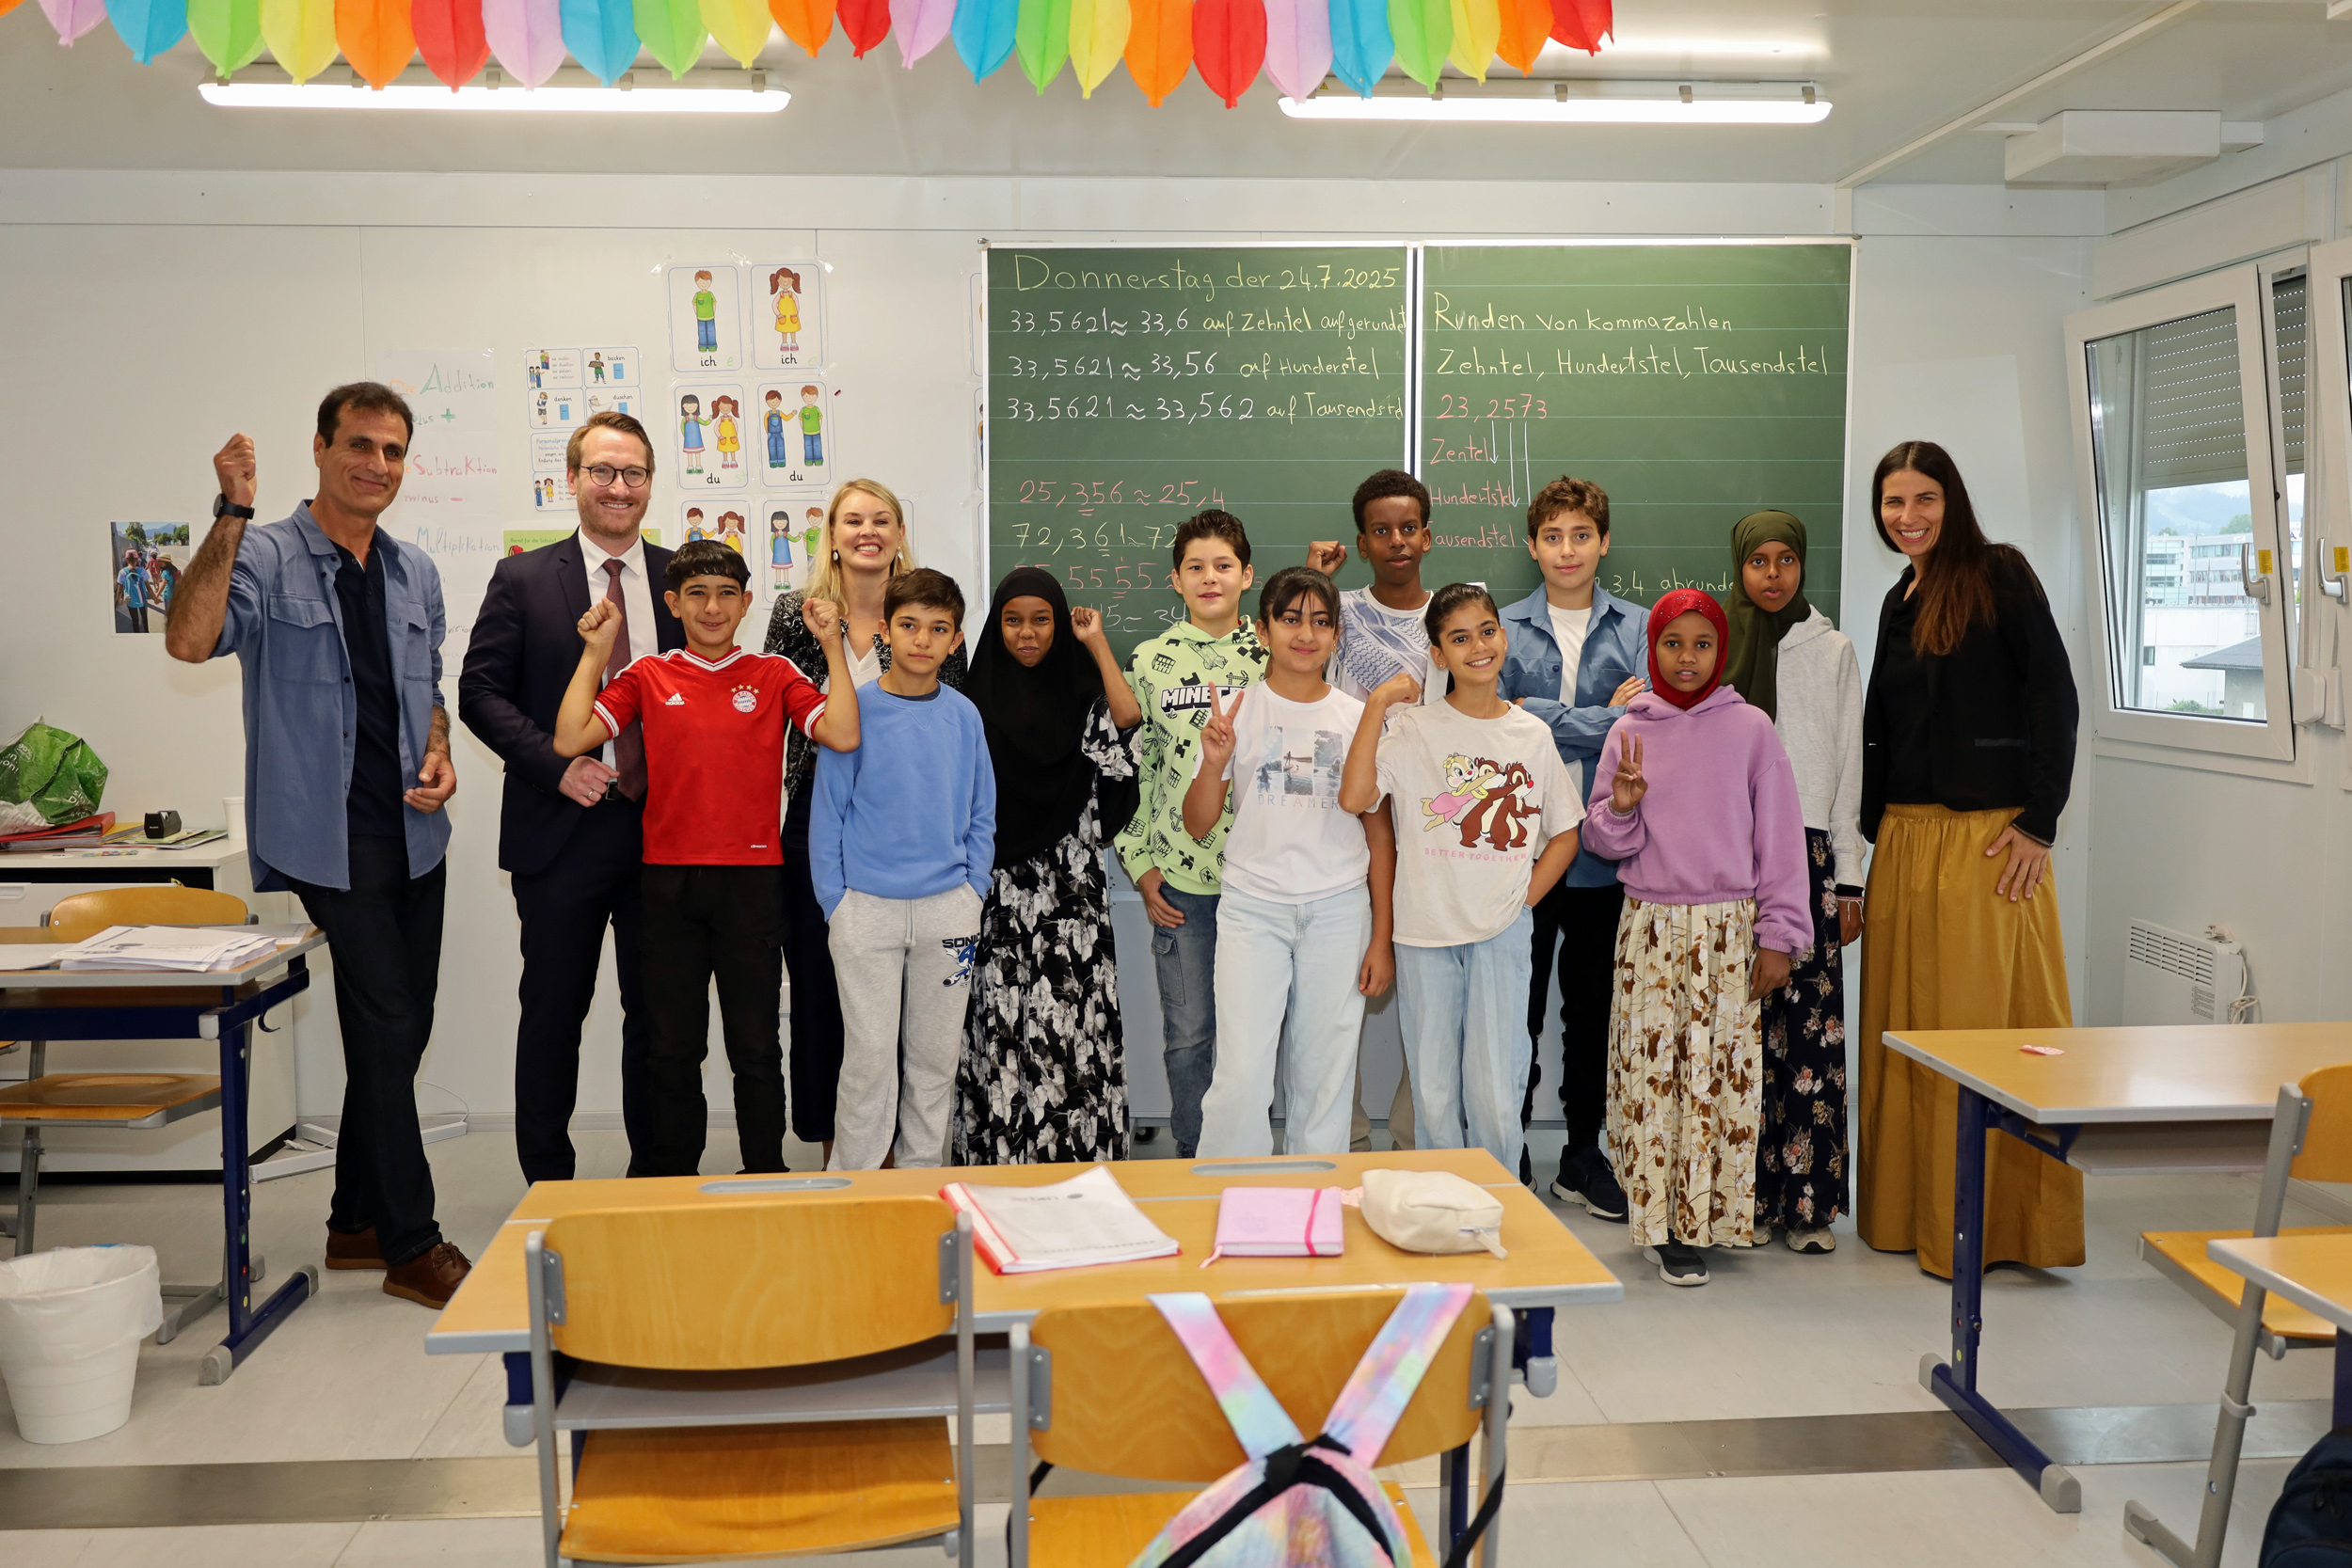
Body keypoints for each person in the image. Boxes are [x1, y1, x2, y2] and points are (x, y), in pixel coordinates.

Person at [166, 385, 469, 1308]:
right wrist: (229, 512)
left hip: (414, 832)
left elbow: (430, 688)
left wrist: (441, 748)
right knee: (383, 1023)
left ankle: (350, 1221)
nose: (377, 463)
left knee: (400, 1031)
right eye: (361, 444)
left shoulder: (416, 571)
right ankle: (412, 1242)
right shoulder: (259, 551)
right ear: (322, 448)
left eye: (393, 450)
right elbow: (189, 639)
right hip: (325, 834)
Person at [552, 539, 860, 1179]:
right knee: (672, 1047)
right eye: (696, 593)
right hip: (667, 884)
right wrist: (594, 652)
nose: (712, 607)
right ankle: (672, 1178)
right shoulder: (647, 674)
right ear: (673, 603)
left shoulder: (775, 673)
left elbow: (842, 733)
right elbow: (571, 736)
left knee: (754, 1046)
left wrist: (834, 644)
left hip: (753, 884)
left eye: (726, 593)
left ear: (747, 602)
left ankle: (764, 1171)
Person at [1857, 440, 2083, 1277]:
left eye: (1924, 499)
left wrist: (2039, 820)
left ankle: (1999, 1227)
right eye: (1893, 503)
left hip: (1988, 839)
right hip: (1906, 840)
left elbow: (2053, 694)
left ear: (1952, 499)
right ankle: (1906, 1216)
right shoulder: (1897, 597)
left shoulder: (2000, 574)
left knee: (1978, 1035)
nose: (1908, 516)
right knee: (1910, 1035)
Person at [458, 411, 684, 1184]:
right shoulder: (523, 578)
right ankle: (549, 1182)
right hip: (561, 830)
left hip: (663, 834)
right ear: (573, 480)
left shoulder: (682, 580)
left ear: (651, 482)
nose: (619, 488)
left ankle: (653, 1176)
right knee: (555, 1013)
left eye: (634, 473)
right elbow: (479, 694)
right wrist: (555, 767)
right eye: (603, 472)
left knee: (658, 1021)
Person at [1581, 589, 1810, 1287]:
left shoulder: (1751, 730)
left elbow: (1781, 842)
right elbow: (1601, 836)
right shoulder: (1630, 730)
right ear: (1652, 649)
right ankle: (1661, 1224)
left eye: (1702, 644)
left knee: (1717, 1079)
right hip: (1649, 926)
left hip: (1728, 930)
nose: (1687, 658)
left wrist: (1780, 934)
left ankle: (1709, 1212)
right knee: (1652, 1082)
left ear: (1722, 649)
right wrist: (1620, 806)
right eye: (1673, 643)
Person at [1338, 584, 1582, 1179]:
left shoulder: (1531, 734)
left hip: (1502, 931)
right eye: (1459, 637)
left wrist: (1522, 898)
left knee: (1498, 1090)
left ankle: (1499, 1206)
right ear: (1438, 655)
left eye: (1488, 631)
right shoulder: (1413, 729)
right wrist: (1376, 709)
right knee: (1436, 1091)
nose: (1478, 646)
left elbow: (1566, 833)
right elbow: (1353, 797)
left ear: (1504, 635)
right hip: (1425, 933)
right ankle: (1445, 1204)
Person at [761, 481, 966, 1165]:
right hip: (820, 824)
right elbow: (777, 709)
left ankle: (906, 1160)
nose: (868, 531)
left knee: (914, 1028)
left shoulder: (926, 609)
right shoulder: (797, 613)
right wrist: (833, 890)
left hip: (908, 830)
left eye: (882, 519)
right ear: (833, 532)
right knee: (823, 999)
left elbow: (950, 727)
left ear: (901, 532)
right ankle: (839, 1150)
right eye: (854, 519)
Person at [1188, 567, 1395, 1158]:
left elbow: (1380, 836)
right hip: (1254, 910)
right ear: (1262, 630)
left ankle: (1312, 1211)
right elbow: (1200, 823)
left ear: (1337, 636)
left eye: (1321, 621)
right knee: (1240, 1075)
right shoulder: (1236, 710)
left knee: (1323, 1079)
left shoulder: (1358, 719)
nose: (1305, 633)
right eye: (1290, 618)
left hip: (1338, 910)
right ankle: (1231, 1202)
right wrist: (1212, 761)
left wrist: (1381, 936)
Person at [955, 567, 1141, 1165]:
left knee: (1072, 1028)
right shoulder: (968, 705)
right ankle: (1001, 1160)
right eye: (1012, 621)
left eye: (1042, 620)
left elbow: (1129, 730)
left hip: (1070, 894)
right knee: (1000, 1028)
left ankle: (1078, 1158)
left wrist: (1097, 644)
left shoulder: (1085, 698)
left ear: (1059, 625)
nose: (1027, 634)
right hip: (994, 890)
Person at [1498, 475, 1649, 1207]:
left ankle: (1584, 1154)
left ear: (1604, 542)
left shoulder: (1644, 627)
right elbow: (1498, 722)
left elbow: (1646, 729)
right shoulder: (1498, 626)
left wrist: (1545, 714)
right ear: (1532, 546)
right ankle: (1511, 1146)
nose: (1567, 550)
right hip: (1517, 852)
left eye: (1581, 535)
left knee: (1593, 1012)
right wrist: (1602, 716)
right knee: (1515, 1008)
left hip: (1611, 855)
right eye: (1553, 536)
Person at [812, 569, 994, 1170]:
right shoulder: (853, 709)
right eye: (910, 626)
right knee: (867, 1059)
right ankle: (857, 1187)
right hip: (865, 912)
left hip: (951, 914)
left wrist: (973, 891)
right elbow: (829, 813)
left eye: (938, 629)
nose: (922, 640)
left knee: (935, 1058)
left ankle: (918, 1182)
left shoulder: (965, 715)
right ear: (886, 630)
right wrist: (836, 903)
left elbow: (981, 811)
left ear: (956, 640)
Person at [1724, 510, 1864, 1253]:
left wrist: (1849, 879)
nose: (1772, 574)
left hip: (1808, 853)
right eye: (1758, 561)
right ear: (1739, 566)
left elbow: (1850, 770)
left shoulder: (1831, 648)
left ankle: (1807, 1205)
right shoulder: (1716, 645)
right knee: (1742, 1029)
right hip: (1731, 852)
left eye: (1786, 559)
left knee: (1809, 1034)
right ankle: (1740, 1196)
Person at [1116, 510, 1268, 1158]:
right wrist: (1141, 865)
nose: (1211, 577)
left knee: (1253, 1034)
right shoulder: (1149, 660)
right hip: (1180, 884)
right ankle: (1192, 1157)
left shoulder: (1276, 651)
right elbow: (1129, 771)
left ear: (1247, 575)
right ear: (1175, 580)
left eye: (1224, 565)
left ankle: (1244, 1156)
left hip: (1266, 879)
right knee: (1189, 1034)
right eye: (1196, 567)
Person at [1307, 468, 1446, 1153]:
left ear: (1428, 535)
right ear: (1362, 542)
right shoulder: (1340, 609)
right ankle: (1346, 1129)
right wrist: (1315, 577)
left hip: (1428, 821)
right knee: (1344, 978)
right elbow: (1301, 661)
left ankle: (1411, 1128)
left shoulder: (1457, 611)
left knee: (1425, 983)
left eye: (1408, 527)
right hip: (1352, 814)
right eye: (1382, 530)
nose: (1397, 540)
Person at [116, 547, 150, 633]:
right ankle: (146, 632)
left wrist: (119, 598)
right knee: (144, 616)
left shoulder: (122, 572)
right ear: (137, 558)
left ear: (126, 559)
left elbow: (120, 588)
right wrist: (155, 598)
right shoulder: (142, 571)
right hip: (142, 598)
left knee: (135, 619)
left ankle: (137, 633)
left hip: (130, 599)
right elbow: (148, 587)